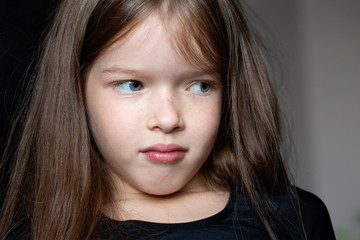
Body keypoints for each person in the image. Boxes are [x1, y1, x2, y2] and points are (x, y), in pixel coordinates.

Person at [0, 0, 335, 239]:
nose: (168, 118)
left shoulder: (296, 219)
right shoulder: (38, 233)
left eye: (200, 86)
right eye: (132, 85)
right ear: (77, 89)